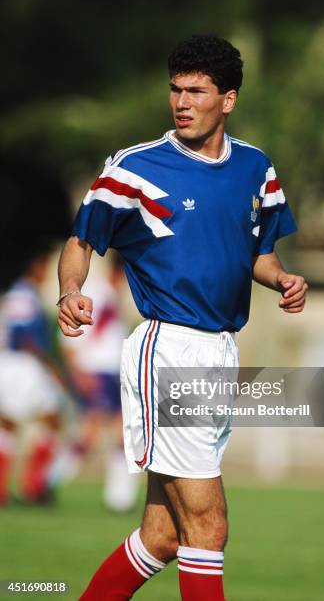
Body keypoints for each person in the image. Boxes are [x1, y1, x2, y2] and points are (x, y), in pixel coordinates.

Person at [57, 35, 307, 601]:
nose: (182, 101)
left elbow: (259, 256)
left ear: (229, 100)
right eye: (175, 89)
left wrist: (283, 279)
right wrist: (71, 289)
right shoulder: (135, 168)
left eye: (196, 90)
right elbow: (81, 240)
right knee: (208, 526)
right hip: (167, 350)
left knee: (163, 537)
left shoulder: (256, 168)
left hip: (220, 353)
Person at [59, 253, 139, 512]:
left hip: (113, 373)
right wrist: (78, 371)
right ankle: (46, 482)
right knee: (91, 434)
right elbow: (72, 337)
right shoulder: (97, 295)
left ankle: (120, 498)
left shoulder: (114, 298)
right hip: (96, 372)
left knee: (120, 433)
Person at [0, 248, 64, 505]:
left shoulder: (26, 294)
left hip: (21, 364)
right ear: (35, 267)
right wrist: (50, 366)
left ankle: (33, 486)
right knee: (21, 423)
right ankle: (32, 488)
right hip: (22, 365)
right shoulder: (23, 294)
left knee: (42, 420)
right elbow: (24, 335)